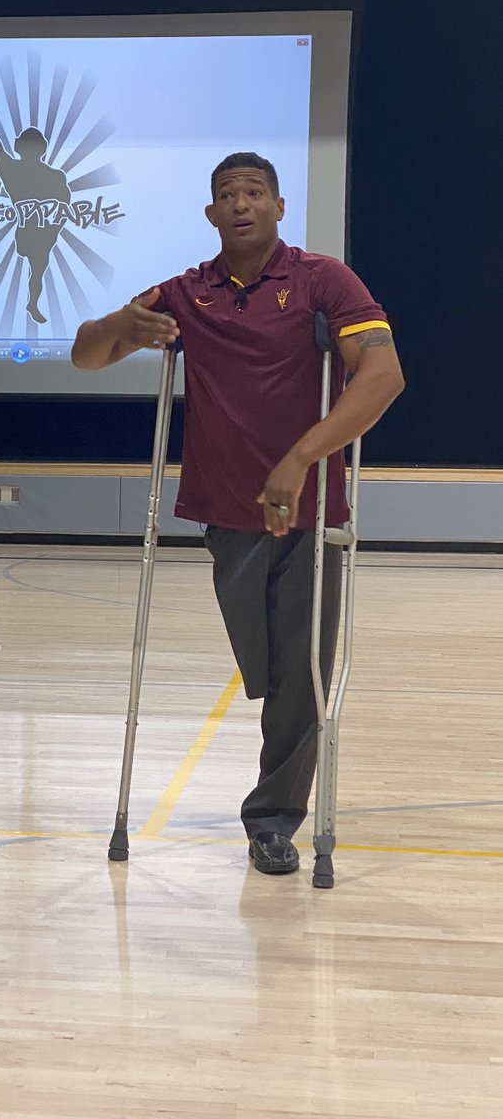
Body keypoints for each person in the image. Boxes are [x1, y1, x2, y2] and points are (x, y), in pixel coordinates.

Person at [71, 152, 405, 875]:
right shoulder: (187, 293)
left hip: (311, 514)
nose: (241, 203)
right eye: (227, 195)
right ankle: (274, 797)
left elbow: (383, 375)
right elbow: (86, 357)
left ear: (280, 206)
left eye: (254, 192)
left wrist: (300, 459)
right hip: (226, 512)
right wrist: (120, 321)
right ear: (211, 213)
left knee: (300, 678)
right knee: (266, 671)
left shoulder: (323, 281)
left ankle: (273, 821)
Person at [0, 82, 71, 326]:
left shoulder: (52, 176)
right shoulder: (14, 169)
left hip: (41, 234)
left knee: (38, 269)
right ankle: (32, 303)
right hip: (30, 233)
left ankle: (32, 304)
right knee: (37, 268)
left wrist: (52, 230)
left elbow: (64, 207)